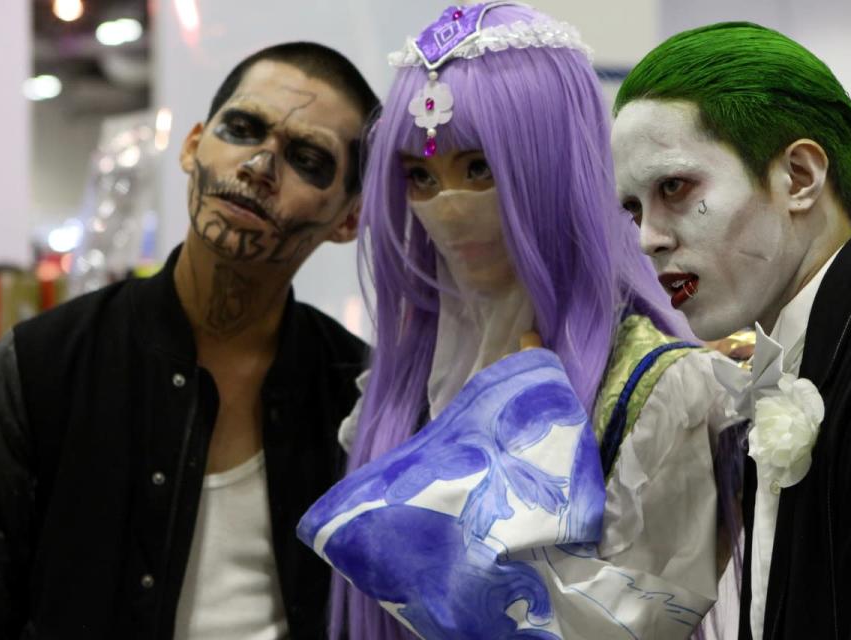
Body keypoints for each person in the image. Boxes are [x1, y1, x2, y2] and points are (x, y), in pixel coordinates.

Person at [296, 4, 737, 639]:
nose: (446, 210)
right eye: (419, 176)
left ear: (552, 164)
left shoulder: (661, 391)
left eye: (478, 169)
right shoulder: (400, 383)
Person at [0, 42, 377, 639]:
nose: (260, 166)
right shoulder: (39, 366)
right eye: (242, 128)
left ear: (349, 219)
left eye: (307, 157)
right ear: (192, 145)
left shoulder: (361, 394)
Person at [611, 22, 851, 639]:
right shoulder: (796, 362)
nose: (648, 238)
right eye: (634, 208)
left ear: (800, 176)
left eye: (675, 188)